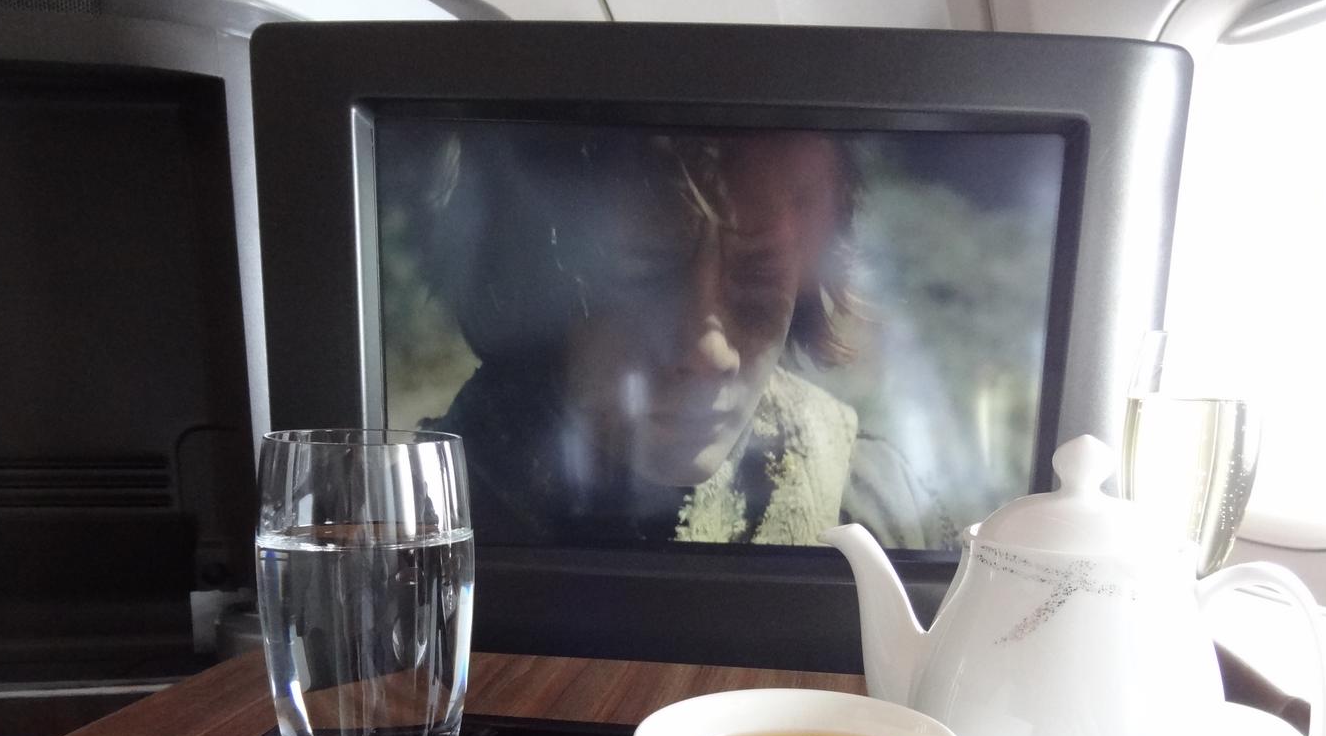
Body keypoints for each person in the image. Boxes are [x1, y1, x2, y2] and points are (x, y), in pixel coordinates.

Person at [408, 126, 956, 550]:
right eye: (646, 279)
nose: (707, 351)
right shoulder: (421, 519)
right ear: (536, 282)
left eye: (758, 279)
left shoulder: (876, 508)